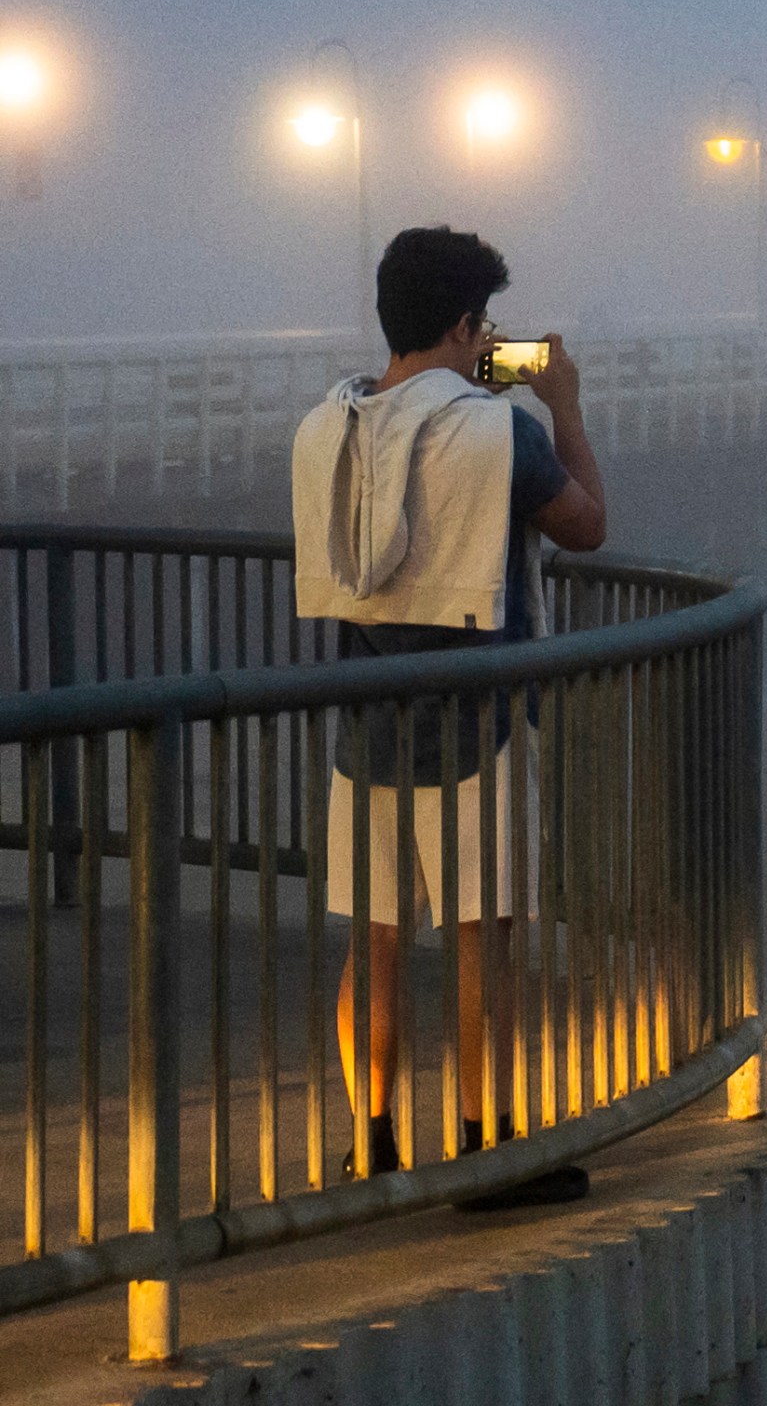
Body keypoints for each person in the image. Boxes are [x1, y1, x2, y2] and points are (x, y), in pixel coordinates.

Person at [290, 225, 606, 1206]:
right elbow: (587, 525)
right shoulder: (497, 431)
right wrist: (563, 405)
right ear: (466, 324)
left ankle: (370, 1145)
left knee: (376, 938)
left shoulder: (324, 427)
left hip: (364, 721)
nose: (487, 345)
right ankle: (487, 1152)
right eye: (485, 329)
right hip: (484, 720)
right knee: (483, 934)